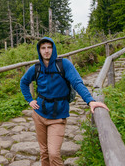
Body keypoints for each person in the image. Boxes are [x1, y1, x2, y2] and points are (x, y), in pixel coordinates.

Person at [20, 37, 109, 166]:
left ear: (53, 49)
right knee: (44, 152)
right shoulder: (36, 68)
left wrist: (90, 101)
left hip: (58, 116)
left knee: (54, 153)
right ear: (39, 51)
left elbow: (77, 82)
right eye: (43, 48)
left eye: (49, 47)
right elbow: (23, 82)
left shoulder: (63, 65)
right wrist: (29, 100)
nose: (46, 51)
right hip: (39, 114)